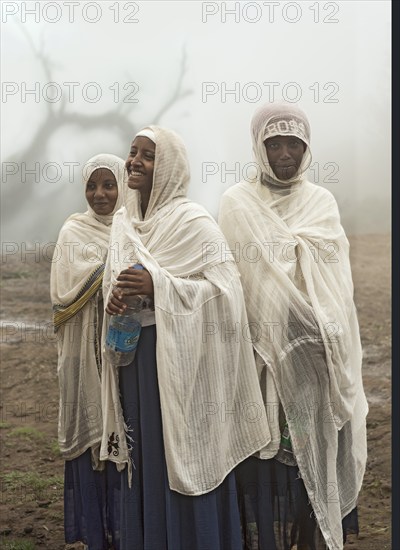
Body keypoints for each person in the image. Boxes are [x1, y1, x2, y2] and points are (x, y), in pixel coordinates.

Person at [100, 126, 272, 549]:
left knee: (186, 457)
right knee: (148, 462)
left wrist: (158, 285)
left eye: (148, 155)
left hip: (184, 365)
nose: (134, 162)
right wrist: (116, 301)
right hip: (138, 364)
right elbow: (116, 283)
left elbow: (228, 292)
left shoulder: (193, 221)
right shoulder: (124, 221)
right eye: (132, 152)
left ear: (171, 168)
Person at [218, 103, 368, 550]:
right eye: (274, 143)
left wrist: (313, 325)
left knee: (311, 450)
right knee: (266, 460)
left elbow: (337, 285)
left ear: (307, 148)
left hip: (317, 351)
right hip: (260, 354)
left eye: (294, 143)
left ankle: (312, 536)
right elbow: (234, 282)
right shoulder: (236, 203)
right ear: (258, 147)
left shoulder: (321, 202)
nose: (285, 153)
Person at [50, 154, 126, 550]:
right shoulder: (73, 232)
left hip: (123, 352)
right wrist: (110, 272)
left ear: (123, 187)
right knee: (95, 438)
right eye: (92, 186)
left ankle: (127, 527)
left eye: (109, 185)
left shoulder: (135, 228)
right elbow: (63, 298)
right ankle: (96, 531)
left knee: (125, 432)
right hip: (85, 355)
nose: (100, 194)